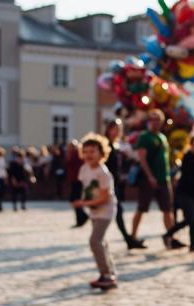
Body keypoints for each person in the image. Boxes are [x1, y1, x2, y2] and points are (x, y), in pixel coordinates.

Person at [71, 133, 118, 290]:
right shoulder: (84, 169)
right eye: (85, 151)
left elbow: (104, 198)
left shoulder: (103, 173)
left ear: (101, 153)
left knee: (94, 241)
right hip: (94, 211)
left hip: (106, 211)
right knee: (101, 242)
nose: (88, 155)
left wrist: (84, 203)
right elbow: (84, 188)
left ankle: (106, 275)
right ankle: (109, 272)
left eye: (92, 151)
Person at [131, 108, 176, 246]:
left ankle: (170, 237)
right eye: (153, 119)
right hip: (148, 180)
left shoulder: (162, 137)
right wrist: (150, 176)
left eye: (158, 119)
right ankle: (132, 236)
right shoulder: (145, 137)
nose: (155, 122)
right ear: (149, 121)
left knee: (167, 210)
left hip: (164, 179)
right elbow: (142, 158)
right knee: (141, 208)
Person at [104, 118, 145, 250]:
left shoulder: (117, 146)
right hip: (107, 184)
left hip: (115, 183)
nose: (117, 131)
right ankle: (128, 239)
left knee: (117, 213)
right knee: (115, 213)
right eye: (114, 128)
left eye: (119, 129)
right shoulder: (105, 145)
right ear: (109, 129)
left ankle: (128, 239)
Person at [164, 134, 194, 252]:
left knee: (193, 221)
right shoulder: (188, 157)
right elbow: (190, 176)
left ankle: (192, 245)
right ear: (191, 144)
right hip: (186, 192)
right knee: (190, 218)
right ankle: (168, 234)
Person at [65, 141, 87, 227]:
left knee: (75, 200)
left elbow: (69, 164)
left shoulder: (76, 155)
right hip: (75, 180)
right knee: (74, 200)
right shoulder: (73, 154)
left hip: (78, 180)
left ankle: (82, 218)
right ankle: (81, 219)